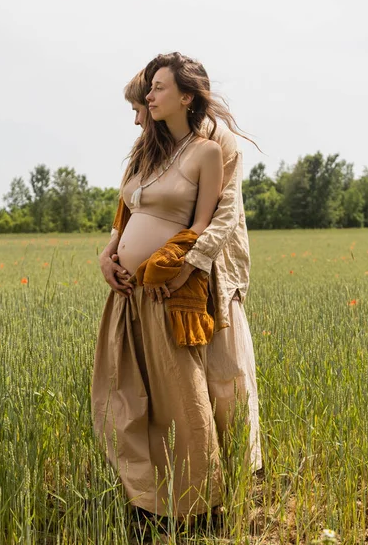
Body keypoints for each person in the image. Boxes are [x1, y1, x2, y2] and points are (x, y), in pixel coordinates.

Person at [92, 53, 261, 520]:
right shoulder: (149, 151)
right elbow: (124, 214)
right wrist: (109, 256)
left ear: (184, 96)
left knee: (213, 387)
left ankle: (214, 498)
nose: (142, 106)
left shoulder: (214, 145)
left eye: (153, 93)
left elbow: (219, 217)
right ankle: (145, 496)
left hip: (192, 281)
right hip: (131, 292)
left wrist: (187, 267)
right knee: (127, 394)